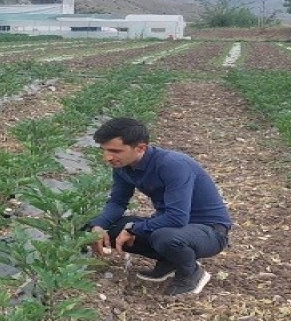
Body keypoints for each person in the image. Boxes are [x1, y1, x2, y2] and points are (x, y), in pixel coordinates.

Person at [85, 117, 231, 297]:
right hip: (176, 226)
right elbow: (117, 202)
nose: (107, 157)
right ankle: (169, 261)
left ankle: (191, 273)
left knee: (165, 237)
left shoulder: (172, 165)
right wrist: (98, 226)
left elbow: (178, 217)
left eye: (115, 151)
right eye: (104, 150)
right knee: (114, 228)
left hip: (210, 231)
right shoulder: (122, 167)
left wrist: (134, 230)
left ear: (140, 148)